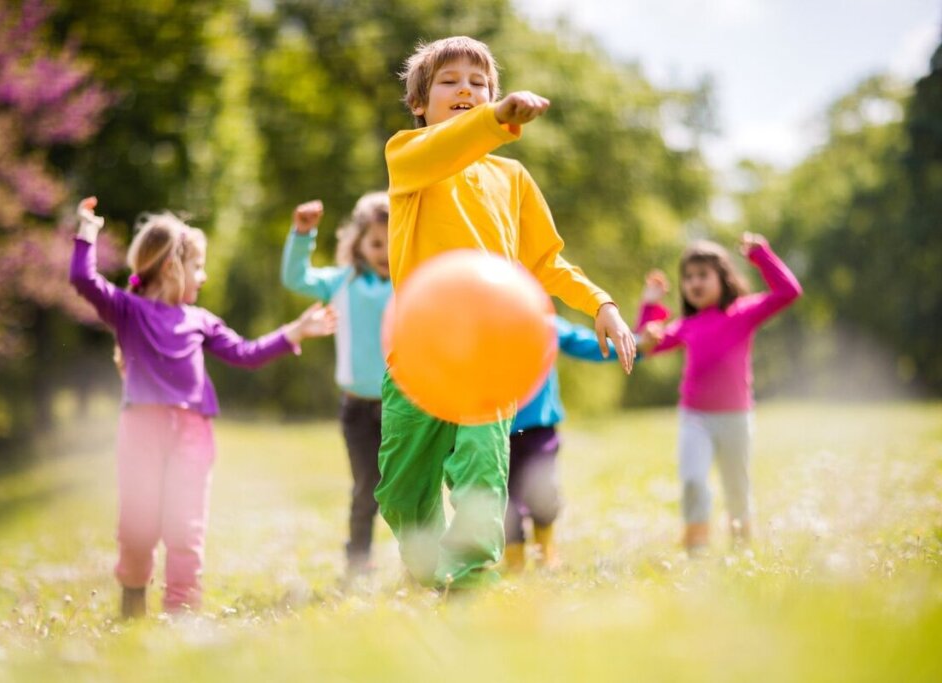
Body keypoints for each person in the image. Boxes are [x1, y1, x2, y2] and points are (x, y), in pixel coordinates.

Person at [375, 35, 636, 591]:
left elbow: (545, 261)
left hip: (488, 356)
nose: (465, 89)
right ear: (420, 103)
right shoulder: (408, 157)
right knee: (400, 489)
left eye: (479, 81)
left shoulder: (513, 179)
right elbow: (446, 148)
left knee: (481, 475)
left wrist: (601, 302)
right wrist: (494, 117)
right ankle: (424, 564)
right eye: (449, 81)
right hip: (418, 355)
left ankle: (468, 581)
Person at [70, 197, 336, 616]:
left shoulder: (201, 321)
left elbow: (246, 353)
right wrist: (87, 231)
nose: (204, 275)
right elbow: (84, 280)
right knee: (138, 527)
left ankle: (182, 613)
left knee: (185, 529)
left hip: (193, 435)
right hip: (142, 430)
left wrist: (294, 331)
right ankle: (133, 600)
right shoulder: (128, 311)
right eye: (197, 266)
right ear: (172, 267)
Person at [636, 232, 802, 554]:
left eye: (702, 275)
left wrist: (761, 255)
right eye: (688, 277)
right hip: (694, 418)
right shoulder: (687, 324)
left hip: (736, 418)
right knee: (693, 480)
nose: (694, 282)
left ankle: (742, 546)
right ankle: (696, 545)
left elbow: (788, 292)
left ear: (723, 278)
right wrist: (650, 306)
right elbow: (647, 345)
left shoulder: (743, 312)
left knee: (736, 487)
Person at [280, 193, 391, 577]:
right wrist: (302, 235)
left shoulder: (412, 283)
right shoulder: (342, 283)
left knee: (412, 488)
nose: (385, 252)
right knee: (366, 488)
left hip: (405, 407)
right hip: (357, 408)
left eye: (394, 242)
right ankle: (358, 560)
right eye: (377, 243)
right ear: (357, 242)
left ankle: (422, 558)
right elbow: (296, 278)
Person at [503, 317, 624, 573]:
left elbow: (585, 343)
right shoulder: (482, 320)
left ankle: (546, 551)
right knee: (504, 499)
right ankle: (513, 560)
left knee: (543, 490)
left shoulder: (542, 320)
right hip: (498, 430)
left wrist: (634, 343)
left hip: (539, 426)